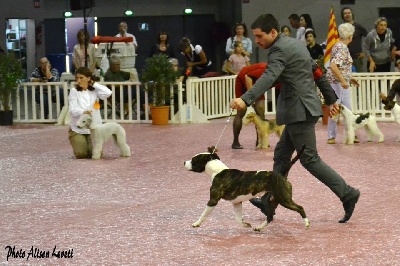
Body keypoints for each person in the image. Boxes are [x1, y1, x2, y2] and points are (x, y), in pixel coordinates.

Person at [230, 14, 360, 224]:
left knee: (310, 160)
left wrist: (246, 99)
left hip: (299, 111)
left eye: (259, 36)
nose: (257, 41)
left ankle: (347, 193)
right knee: (281, 155)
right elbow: (317, 71)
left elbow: (270, 76)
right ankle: (269, 199)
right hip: (300, 110)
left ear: (273, 32)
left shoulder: (278, 50)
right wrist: (331, 98)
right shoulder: (296, 45)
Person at [326, 23, 360, 144]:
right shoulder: (342, 48)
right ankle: (331, 135)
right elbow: (333, 66)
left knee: (348, 110)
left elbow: (342, 67)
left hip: (340, 82)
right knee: (336, 108)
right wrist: (343, 80)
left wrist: (349, 78)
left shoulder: (337, 46)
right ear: (350, 36)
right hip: (338, 83)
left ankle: (351, 134)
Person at [68, 67, 112, 159]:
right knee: (81, 154)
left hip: (93, 128)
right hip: (78, 128)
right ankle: (78, 141)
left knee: (96, 154)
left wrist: (94, 84)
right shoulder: (74, 91)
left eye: (81, 78)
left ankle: (90, 147)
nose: (78, 81)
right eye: (77, 78)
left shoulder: (95, 91)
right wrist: (84, 111)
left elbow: (108, 93)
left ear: (88, 78)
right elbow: (72, 110)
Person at [231, 63, 267, 149]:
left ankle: (260, 141)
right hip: (243, 80)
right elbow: (248, 77)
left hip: (256, 85)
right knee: (241, 111)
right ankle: (235, 142)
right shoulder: (264, 68)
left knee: (260, 112)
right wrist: (251, 98)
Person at [341, 7, 368, 72]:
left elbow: (369, 39)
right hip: (344, 58)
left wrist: (365, 52)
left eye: (349, 13)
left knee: (359, 78)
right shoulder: (341, 28)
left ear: (352, 14)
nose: (347, 15)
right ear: (343, 16)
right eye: (345, 13)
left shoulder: (358, 27)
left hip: (357, 58)